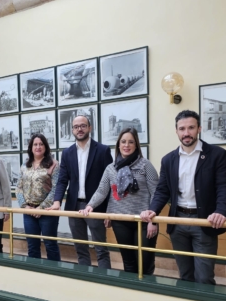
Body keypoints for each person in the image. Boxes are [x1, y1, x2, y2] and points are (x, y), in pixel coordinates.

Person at [140, 110, 226, 285]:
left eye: (191, 128)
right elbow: (162, 190)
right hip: (178, 223)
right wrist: (153, 210)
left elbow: (225, 187)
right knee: (185, 275)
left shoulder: (217, 155)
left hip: (205, 222)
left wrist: (221, 211)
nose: (186, 133)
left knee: (204, 277)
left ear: (199, 128)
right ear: (176, 131)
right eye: (182, 129)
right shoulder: (168, 160)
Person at [80, 128, 159, 275]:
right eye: (123, 142)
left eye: (131, 142)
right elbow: (102, 191)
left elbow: (156, 192)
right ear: (118, 145)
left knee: (145, 262)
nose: (126, 145)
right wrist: (90, 205)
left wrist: (153, 221)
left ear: (136, 145)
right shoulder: (111, 168)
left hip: (144, 220)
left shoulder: (145, 165)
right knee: (129, 262)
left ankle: (147, 293)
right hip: (120, 220)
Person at [48, 115, 113, 269]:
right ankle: (85, 278)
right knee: (80, 248)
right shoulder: (67, 153)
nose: (80, 129)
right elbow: (63, 180)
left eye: (83, 125)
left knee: (101, 249)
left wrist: (110, 211)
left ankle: (105, 281)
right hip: (74, 206)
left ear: (90, 128)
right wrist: (57, 201)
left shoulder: (103, 150)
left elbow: (111, 182)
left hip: (96, 207)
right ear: (72, 130)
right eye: (76, 127)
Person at [16, 134, 60, 261]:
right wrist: (25, 206)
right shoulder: (25, 166)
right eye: (35, 144)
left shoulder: (54, 165)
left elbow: (56, 189)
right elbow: (19, 187)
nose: (38, 147)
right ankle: (34, 273)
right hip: (29, 211)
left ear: (45, 147)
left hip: (47, 211)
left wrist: (41, 208)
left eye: (41, 144)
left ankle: (55, 274)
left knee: (50, 245)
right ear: (31, 147)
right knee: (32, 245)